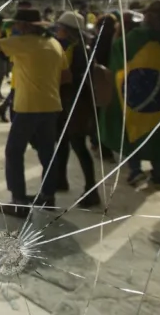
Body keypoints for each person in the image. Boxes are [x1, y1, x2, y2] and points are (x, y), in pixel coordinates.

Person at [0, 8, 68, 217]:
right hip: (51, 106)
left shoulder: (24, 42)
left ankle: (19, 202)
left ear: (25, 25)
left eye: (17, 24)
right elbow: (66, 77)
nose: (14, 27)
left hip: (28, 107)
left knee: (14, 152)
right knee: (47, 152)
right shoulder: (54, 44)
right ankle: (48, 197)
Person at [102, 0, 160, 192]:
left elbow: (118, 58)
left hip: (136, 97)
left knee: (133, 131)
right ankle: (157, 176)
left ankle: (136, 171)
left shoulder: (136, 37)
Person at [50, 11, 101, 208]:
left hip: (76, 104)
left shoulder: (79, 50)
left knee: (78, 145)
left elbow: (73, 78)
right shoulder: (77, 47)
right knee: (62, 142)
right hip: (69, 102)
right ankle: (61, 180)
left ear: (67, 30)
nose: (57, 30)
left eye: (60, 27)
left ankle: (91, 190)